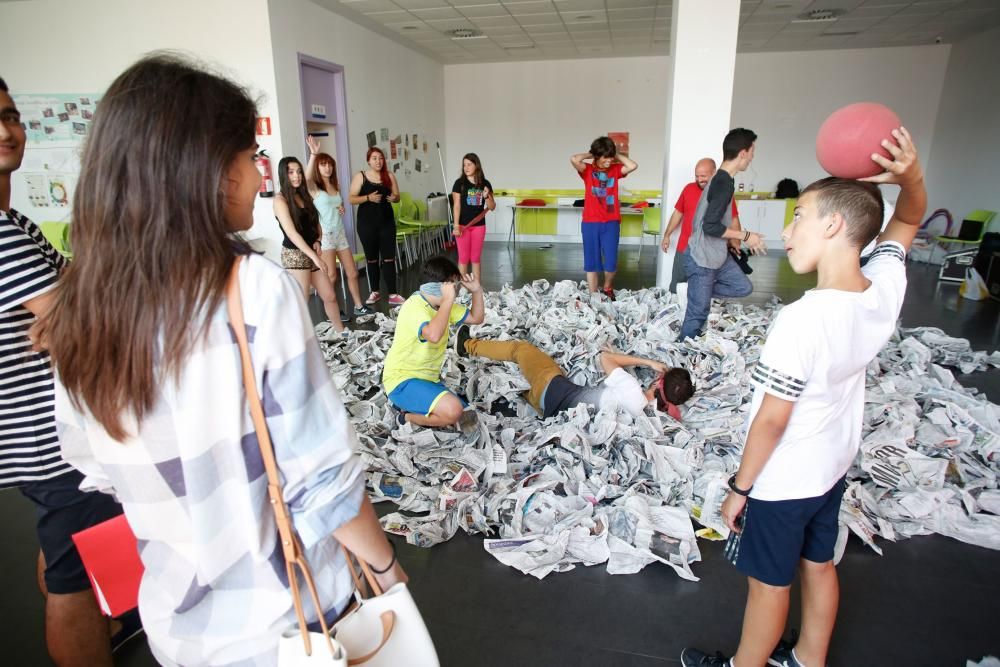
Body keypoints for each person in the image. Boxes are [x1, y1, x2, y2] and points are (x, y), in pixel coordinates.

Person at [38, 54, 407, 666]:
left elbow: (97, 469)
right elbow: (323, 481)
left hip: (182, 633)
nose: (258, 171)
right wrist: (388, 569)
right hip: (289, 623)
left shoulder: (77, 313)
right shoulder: (252, 290)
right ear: (208, 170)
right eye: (248, 155)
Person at [680, 127, 927, 667]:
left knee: (769, 585)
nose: (788, 230)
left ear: (834, 225)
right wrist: (912, 178)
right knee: (818, 564)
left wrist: (740, 487)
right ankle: (809, 659)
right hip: (832, 467)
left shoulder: (802, 320)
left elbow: (771, 420)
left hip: (785, 479)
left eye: (799, 217)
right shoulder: (880, 288)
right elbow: (908, 219)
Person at [0, 75, 132, 667]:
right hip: (48, 441)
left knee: (67, 549)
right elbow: (81, 326)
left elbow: (80, 292)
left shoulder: (18, 223)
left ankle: (95, 630)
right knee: (73, 573)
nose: (7, 132)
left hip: (49, 434)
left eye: (9, 115)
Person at [454, 328, 694, 420]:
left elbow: (605, 358)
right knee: (519, 387)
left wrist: (648, 361)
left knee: (521, 350)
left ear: (659, 379)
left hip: (551, 386)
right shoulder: (653, 418)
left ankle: (467, 346)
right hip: (549, 412)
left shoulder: (632, 390)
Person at [679, 129, 767, 341]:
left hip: (716, 254)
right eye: (752, 151)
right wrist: (746, 236)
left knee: (742, 286)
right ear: (743, 153)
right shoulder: (722, 183)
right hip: (701, 258)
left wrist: (731, 241)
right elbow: (710, 226)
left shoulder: (725, 180)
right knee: (698, 314)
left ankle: (694, 291)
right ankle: (682, 355)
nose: (753, 157)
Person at [382, 256, 485, 429]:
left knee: (467, 416)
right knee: (453, 412)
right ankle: (405, 417)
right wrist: (447, 301)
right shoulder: (414, 306)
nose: (457, 291)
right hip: (401, 381)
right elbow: (434, 335)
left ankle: (417, 405)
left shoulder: (442, 306)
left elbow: (477, 317)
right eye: (454, 285)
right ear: (440, 288)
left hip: (428, 380)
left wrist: (477, 291)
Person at [274, 156, 347, 334]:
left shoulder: (303, 195)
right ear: (284, 175)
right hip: (295, 255)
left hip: (311, 251)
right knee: (302, 300)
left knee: (329, 295)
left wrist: (318, 240)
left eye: (298, 172)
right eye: (291, 172)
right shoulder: (280, 200)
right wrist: (315, 257)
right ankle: (296, 342)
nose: (296, 176)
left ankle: (341, 331)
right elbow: (292, 233)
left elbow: (316, 223)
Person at [305, 135, 372, 319]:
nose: (327, 168)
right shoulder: (314, 188)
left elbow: (334, 204)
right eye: (323, 164)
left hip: (340, 233)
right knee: (331, 276)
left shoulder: (336, 186)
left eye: (329, 164)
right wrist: (313, 154)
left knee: (352, 272)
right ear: (318, 168)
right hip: (326, 236)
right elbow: (306, 178)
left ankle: (359, 306)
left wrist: (340, 207)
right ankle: (334, 311)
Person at [660, 158, 743, 293]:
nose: (699, 179)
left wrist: (736, 243)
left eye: (703, 176)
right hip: (685, 247)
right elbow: (677, 214)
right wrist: (667, 235)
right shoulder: (688, 189)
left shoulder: (723, 193)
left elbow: (734, 220)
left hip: (708, 251)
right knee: (677, 285)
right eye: (697, 176)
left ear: (714, 173)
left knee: (702, 288)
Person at [570, 136, 638, 299]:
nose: (609, 161)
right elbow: (574, 159)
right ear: (597, 156)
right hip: (591, 223)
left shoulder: (615, 170)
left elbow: (633, 165)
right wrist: (591, 154)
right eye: (605, 157)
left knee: (611, 262)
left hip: (611, 222)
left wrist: (615, 154)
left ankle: (607, 286)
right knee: (591, 263)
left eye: (610, 157)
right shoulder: (587, 171)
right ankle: (594, 296)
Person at [348, 147, 403, 306]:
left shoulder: (389, 176)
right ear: (368, 161)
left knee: (389, 258)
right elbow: (351, 199)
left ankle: (393, 294)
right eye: (374, 158)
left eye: (380, 158)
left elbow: (397, 197)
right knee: (371, 259)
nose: (378, 161)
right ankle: (375, 292)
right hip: (366, 225)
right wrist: (368, 198)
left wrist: (394, 198)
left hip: (386, 223)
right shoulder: (361, 176)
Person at [451, 153, 495, 283]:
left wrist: (487, 196)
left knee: (475, 258)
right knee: (463, 258)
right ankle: (461, 289)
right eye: (464, 164)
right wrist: (456, 225)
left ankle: (476, 287)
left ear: (476, 165)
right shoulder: (459, 183)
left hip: (479, 226)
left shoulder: (485, 183)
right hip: (463, 227)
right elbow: (457, 206)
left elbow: (492, 207)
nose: (466, 167)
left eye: (469, 164)